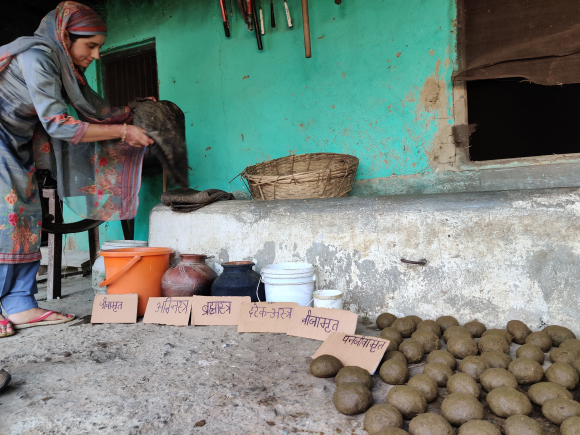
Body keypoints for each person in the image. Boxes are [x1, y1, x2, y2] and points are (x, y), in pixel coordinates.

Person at [0, 1, 154, 337]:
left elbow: (96, 110)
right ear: (64, 37)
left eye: (100, 47)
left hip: (16, 142)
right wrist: (125, 131)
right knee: (6, 215)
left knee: (25, 218)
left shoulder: (63, 67)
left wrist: (129, 112)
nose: (96, 55)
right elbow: (59, 124)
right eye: (91, 45)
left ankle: (20, 305)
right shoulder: (37, 58)